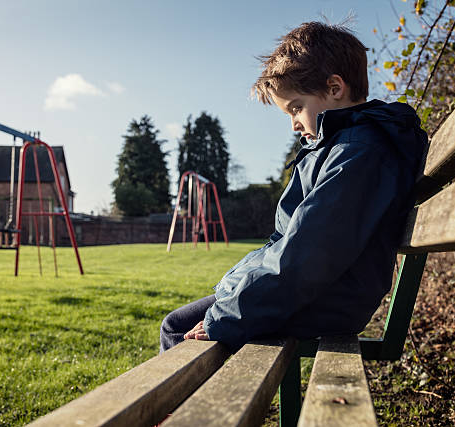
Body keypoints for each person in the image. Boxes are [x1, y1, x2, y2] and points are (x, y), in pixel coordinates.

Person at [160, 21, 428, 353]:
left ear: (334, 88)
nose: (294, 123)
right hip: (317, 293)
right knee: (183, 322)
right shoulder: (340, 147)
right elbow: (292, 244)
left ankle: (191, 408)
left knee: (177, 329)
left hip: (326, 299)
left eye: (296, 107)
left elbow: (309, 254)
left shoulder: (359, 152)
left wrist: (225, 318)